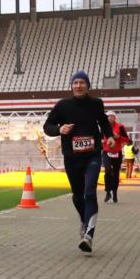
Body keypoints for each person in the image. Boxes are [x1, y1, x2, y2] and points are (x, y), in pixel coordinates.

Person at [42, 71, 115, 254]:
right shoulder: (63, 105)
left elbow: (104, 122)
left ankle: (89, 235)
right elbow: (47, 126)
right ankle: (84, 219)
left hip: (92, 156)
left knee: (89, 192)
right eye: (75, 83)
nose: (78, 86)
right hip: (72, 157)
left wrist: (109, 136)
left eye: (82, 82)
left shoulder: (96, 103)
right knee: (77, 194)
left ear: (87, 86)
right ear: (71, 86)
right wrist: (59, 129)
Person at [101, 111, 130, 203]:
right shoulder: (103, 126)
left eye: (112, 116)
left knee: (116, 174)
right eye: (108, 117)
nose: (110, 118)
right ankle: (108, 192)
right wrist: (102, 142)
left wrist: (118, 137)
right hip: (106, 151)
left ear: (115, 118)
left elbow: (127, 139)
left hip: (117, 152)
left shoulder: (120, 126)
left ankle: (114, 192)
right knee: (108, 170)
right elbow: (100, 138)